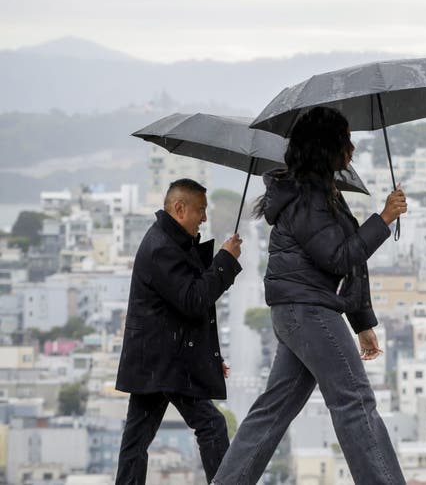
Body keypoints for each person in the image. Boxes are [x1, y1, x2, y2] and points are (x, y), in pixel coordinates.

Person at [213, 106, 408, 484]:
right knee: (355, 403)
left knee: (273, 410)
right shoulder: (306, 197)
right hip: (310, 312)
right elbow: (339, 257)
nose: (351, 149)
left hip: (298, 312)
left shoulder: (317, 191)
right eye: (344, 140)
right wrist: (383, 218)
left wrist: (362, 322)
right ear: (326, 146)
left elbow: (347, 256)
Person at [115, 178, 243, 484]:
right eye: (200, 210)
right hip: (166, 362)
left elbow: (182, 308)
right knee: (211, 425)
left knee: (137, 438)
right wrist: (225, 260)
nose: (204, 217)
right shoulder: (162, 247)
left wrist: (209, 359)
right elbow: (194, 300)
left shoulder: (168, 241)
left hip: (158, 359)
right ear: (179, 208)